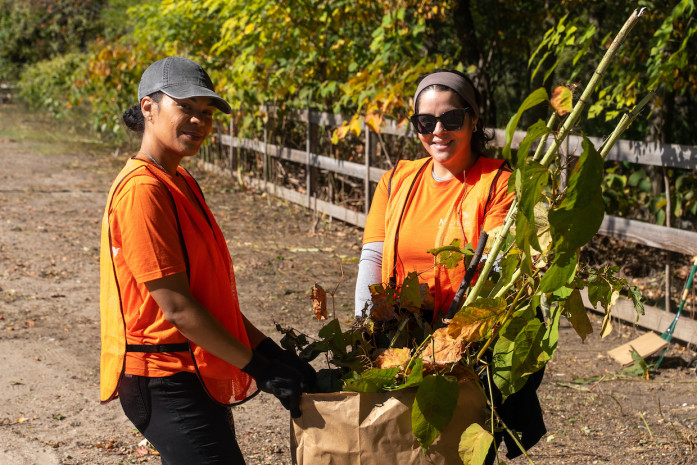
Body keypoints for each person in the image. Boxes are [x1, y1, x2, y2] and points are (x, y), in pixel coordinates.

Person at [99, 56, 316, 465]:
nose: (199, 121)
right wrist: (260, 369)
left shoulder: (180, 182)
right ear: (149, 108)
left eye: (206, 112)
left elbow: (209, 300)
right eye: (186, 107)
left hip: (191, 371)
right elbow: (178, 308)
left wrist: (271, 352)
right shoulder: (142, 192)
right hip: (162, 379)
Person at [353, 69, 545, 461]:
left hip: (469, 349)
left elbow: (494, 269)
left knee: (456, 451)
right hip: (398, 341)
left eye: (451, 119)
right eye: (425, 122)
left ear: (473, 120)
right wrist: (363, 333)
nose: (438, 130)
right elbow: (372, 259)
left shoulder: (498, 182)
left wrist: (452, 341)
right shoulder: (395, 181)